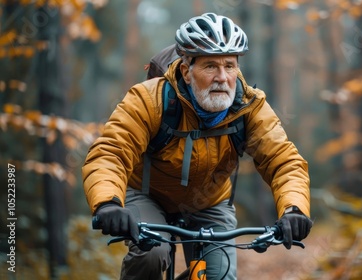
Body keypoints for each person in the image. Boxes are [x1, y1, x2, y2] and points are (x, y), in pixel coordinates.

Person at [83, 12, 312, 279]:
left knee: (220, 275)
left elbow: (284, 161)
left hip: (209, 202)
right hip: (147, 195)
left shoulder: (250, 106)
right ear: (186, 72)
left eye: (230, 65)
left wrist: (294, 209)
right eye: (210, 66)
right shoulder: (148, 99)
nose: (223, 77)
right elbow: (110, 153)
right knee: (152, 253)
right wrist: (108, 203)